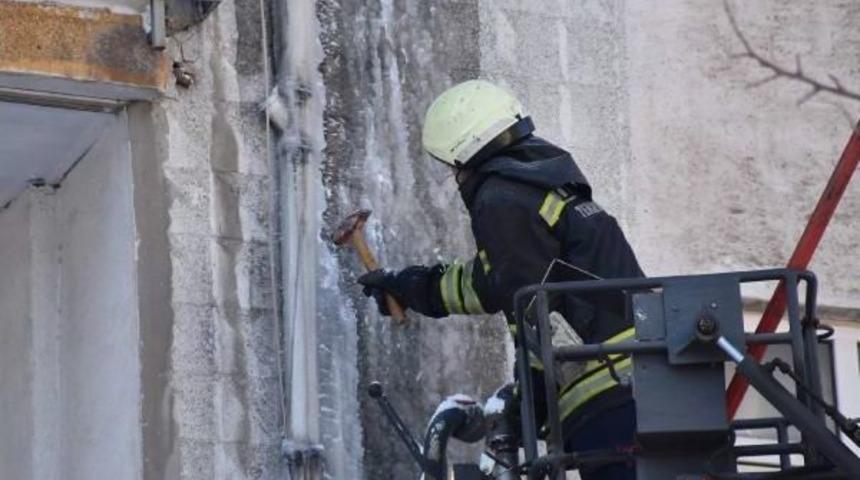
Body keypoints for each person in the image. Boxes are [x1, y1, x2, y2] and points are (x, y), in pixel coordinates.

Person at [358, 79, 643, 480]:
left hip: (604, 396)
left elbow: (531, 310)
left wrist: (528, 397)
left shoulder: (500, 199)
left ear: (463, 152)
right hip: (642, 384)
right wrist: (411, 286)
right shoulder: (541, 185)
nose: (455, 177)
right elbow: (496, 282)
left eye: (452, 167)